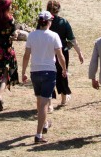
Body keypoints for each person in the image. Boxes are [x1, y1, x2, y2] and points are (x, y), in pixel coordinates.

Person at [21, 11, 67, 144]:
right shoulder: (54, 36)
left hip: (35, 71)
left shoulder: (32, 35)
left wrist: (23, 72)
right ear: (48, 22)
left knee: (40, 100)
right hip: (49, 72)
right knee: (44, 104)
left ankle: (45, 123)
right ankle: (38, 134)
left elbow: (26, 55)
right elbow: (60, 55)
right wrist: (64, 69)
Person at [46, 0, 84, 109]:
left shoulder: (43, 21)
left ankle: (49, 103)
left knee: (48, 75)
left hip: (47, 51)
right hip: (61, 52)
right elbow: (72, 40)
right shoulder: (63, 22)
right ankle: (63, 99)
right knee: (62, 74)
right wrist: (79, 53)